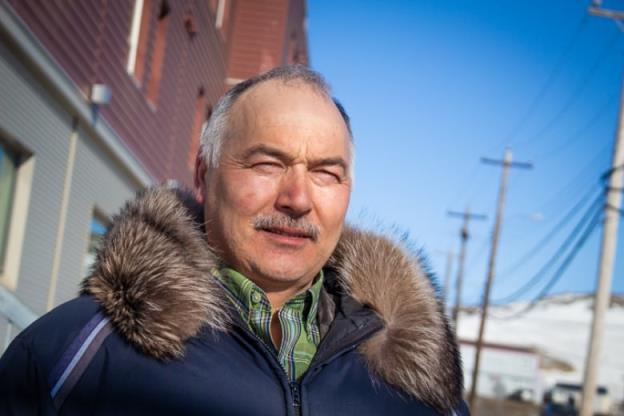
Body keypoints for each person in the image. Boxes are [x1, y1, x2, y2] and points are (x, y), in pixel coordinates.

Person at [0, 65, 469, 415]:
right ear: (205, 177)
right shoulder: (81, 350)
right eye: (267, 163)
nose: (297, 199)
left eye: (326, 173)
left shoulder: (420, 382)